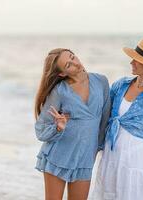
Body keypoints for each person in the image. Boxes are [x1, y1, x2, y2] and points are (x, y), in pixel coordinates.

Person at [92, 39, 143, 200]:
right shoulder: (120, 85)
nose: (131, 62)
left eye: (136, 59)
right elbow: (101, 115)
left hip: (136, 158)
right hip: (111, 153)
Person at [34, 48, 111, 200]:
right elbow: (41, 128)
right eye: (68, 65)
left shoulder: (101, 81)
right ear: (62, 73)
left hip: (85, 159)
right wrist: (58, 127)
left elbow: (105, 120)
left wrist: (97, 150)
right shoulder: (59, 91)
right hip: (58, 155)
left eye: (72, 57)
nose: (75, 63)